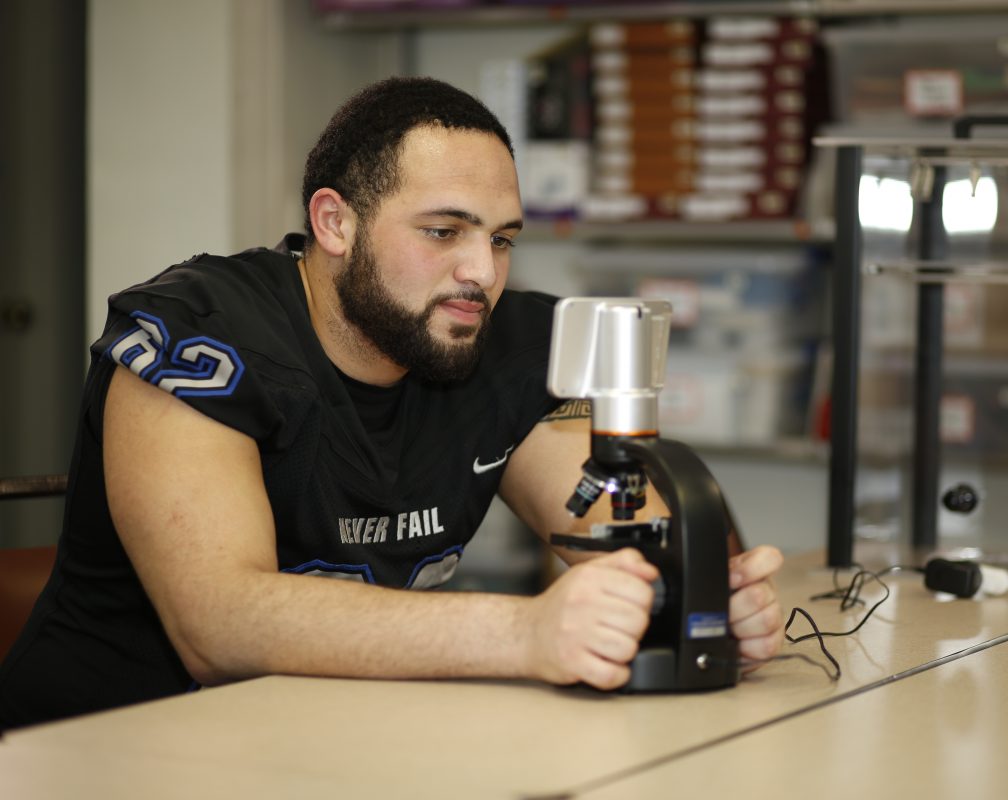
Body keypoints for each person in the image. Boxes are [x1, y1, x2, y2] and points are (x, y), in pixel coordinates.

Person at [0, 76, 784, 729]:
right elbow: (219, 624)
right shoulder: (197, 333)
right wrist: (525, 630)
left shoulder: (502, 342)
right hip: (108, 747)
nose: (482, 271)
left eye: (503, 239)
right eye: (445, 231)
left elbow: (606, 524)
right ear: (335, 221)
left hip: (331, 743)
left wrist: (694, 604)